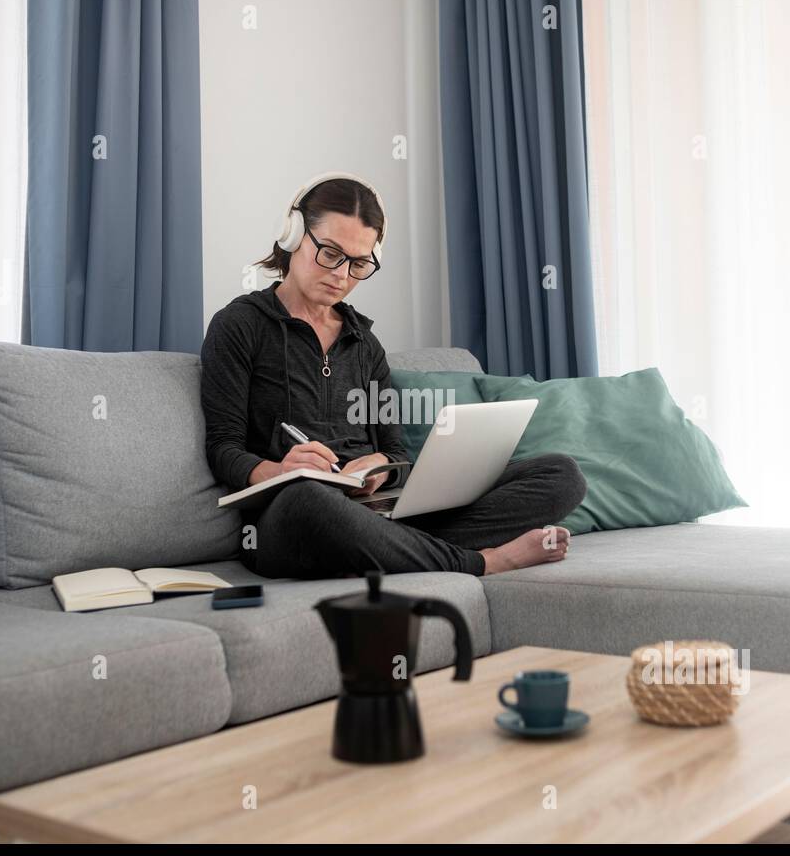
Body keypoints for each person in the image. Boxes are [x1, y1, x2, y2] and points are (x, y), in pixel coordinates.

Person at [199, 172, 586, 579]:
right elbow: (223, 449)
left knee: (561, 475)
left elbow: (396, 450)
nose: (342, 275)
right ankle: (483, 560)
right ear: (294, 237)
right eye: (330, 253)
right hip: (288, 519)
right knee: (309, 500)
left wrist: (381, 467)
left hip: (375, 512)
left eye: (359, 263)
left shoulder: (365, 344)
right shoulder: (239, 326)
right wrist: (284, 470)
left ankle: (398, 549)